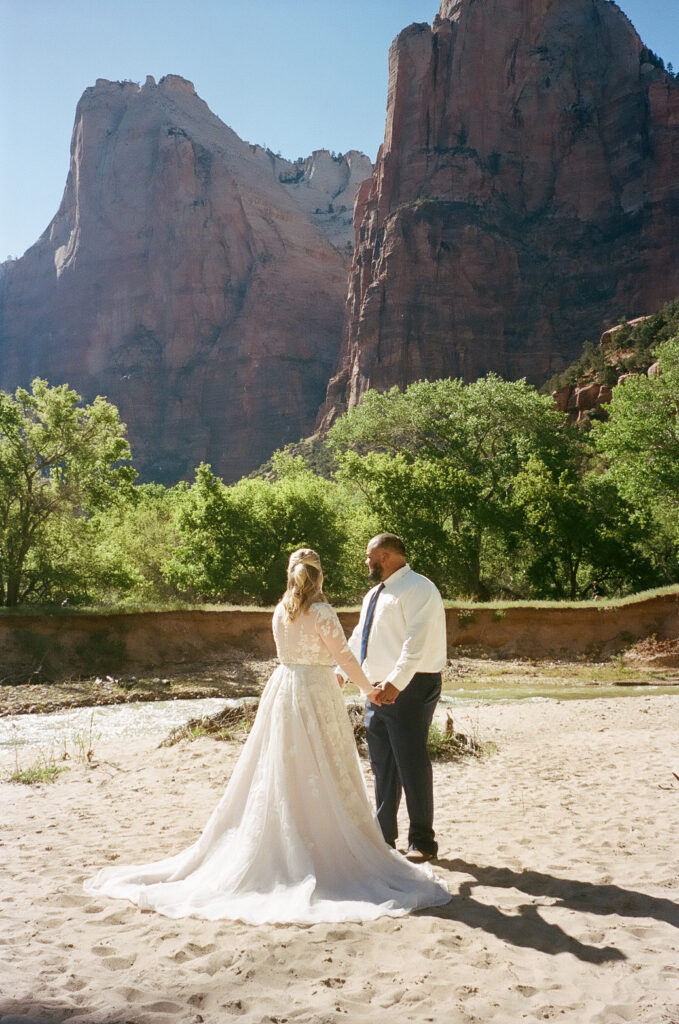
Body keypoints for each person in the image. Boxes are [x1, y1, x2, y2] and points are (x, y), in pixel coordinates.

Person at [84, 548, 449, 924]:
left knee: (283, 764)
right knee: (325, 762)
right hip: (316, 692)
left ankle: (367, 835)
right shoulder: (323, 612)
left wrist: (360, 680)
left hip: (285, 688)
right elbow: (344, 655)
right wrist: (367, 689)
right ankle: (349, 841)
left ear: (291, 575)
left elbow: (310, 653)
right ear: (319, 576)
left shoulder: (281, 610)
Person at [339, 534, 447, 863]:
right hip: (375, 688)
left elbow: (417, 641)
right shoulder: (374, 594)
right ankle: (384, 837)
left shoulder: (419, 588)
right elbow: (361, 635)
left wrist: (396, 682)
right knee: (383, 763)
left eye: (369, 556)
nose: (365, 562)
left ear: (385, 556)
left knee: (410, 760)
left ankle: (423, 841)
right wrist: (342, 672)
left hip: (411, 686)